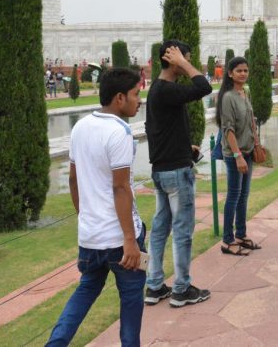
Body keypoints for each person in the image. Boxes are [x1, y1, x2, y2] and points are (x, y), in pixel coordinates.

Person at [46, 68, 146, 347]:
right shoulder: (120, 132)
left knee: (86, 290)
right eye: (136, 94)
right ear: (119, 98)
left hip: (91, 236)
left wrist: (86, 218)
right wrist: (129, 240)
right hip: (119, 238)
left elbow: (73, 179)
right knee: (131, 300)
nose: (139, 100)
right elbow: (120, 187)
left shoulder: (81, 127)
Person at [144, 41, 213, 308]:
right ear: (172, 59)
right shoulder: (166, 89)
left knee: (160, 229)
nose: (189, 61)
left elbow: (160, 129)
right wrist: (182, 64)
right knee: (183, 231)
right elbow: (204, 87)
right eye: (187, 57)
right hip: (175, 173)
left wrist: (186, 147)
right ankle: (181, 289)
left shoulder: (158, 90)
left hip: (162, 168)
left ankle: (154, 285)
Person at [217, 56, 262, 254]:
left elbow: (251, 121)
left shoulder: (244, 92)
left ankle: (241, 235)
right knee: (234, 196)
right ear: (230, 73)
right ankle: (227, 240)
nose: (243, 73)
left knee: (244, 195)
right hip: (235, 154)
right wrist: (237, 156)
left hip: (249, 150)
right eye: (239, 71)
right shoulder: (228, 97)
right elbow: (228, 129)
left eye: (245, 70)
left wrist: (256, 144)